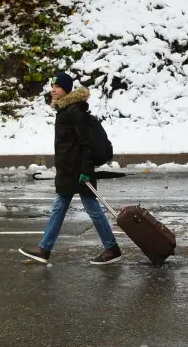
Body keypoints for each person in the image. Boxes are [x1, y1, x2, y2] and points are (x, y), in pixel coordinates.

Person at [19, 72, 122, 265]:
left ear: (66, 89)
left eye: (57, 86)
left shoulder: (75, 112)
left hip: (79, 172)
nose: (53, 89)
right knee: (61, 208)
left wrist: (86, 170)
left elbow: (87, 144)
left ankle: (111, 248)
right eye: (53, 86)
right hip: (69, 171)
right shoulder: (64, 110)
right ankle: (45, 249)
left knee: (90, 210)